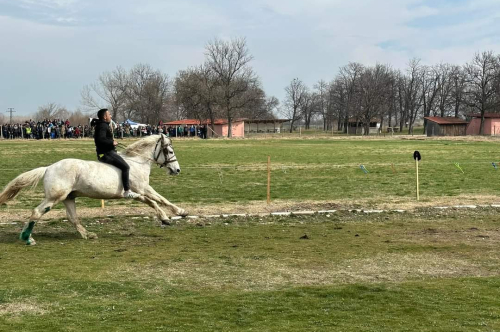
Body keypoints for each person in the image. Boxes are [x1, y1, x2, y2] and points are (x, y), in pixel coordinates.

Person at [94, 109, 140, 199]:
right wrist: (112, 143)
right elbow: (100, 140)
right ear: (104, 116)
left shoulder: (103, 125)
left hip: (108, 152)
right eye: (109, 114)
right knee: (126, 167)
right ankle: (127, 191)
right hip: (105, 154)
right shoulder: (102, 126)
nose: (111, 116)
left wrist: (112, 142)